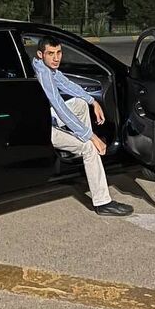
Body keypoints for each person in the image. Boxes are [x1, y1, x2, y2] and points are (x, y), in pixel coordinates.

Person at [32, 35, 133, 217]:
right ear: (40, 54)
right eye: (51, 53)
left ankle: (86, 160)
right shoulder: (44, 74)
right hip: (43, 128)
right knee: (89, 147)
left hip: (44, 117)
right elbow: (60, 108)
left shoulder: (46, 67)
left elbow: (68, 85)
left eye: (59, 52)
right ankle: (103, 202)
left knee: (79, 103)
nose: (56, 58)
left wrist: (93, 101)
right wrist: (92, 137)